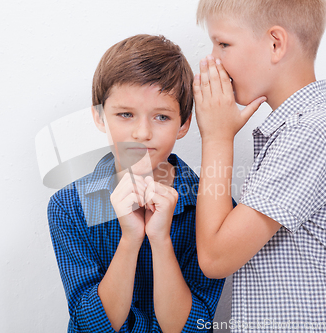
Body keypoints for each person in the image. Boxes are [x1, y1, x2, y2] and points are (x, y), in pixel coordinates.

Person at [192, 0, 326, 332]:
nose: (212, 59)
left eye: (223, 44)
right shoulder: (305, 129)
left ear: (276, 44)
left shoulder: (309, 136)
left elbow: (215, 257)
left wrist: (217, 137)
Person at [48, 34, 225, 332]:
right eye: (126, 114)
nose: (142, 133)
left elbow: (192, 327)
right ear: (100, 117)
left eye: (161, 117)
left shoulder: (212, 206)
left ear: (184, 124)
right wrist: (130, 240)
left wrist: (160, 240)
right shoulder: (69, 206)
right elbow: (91, 326)